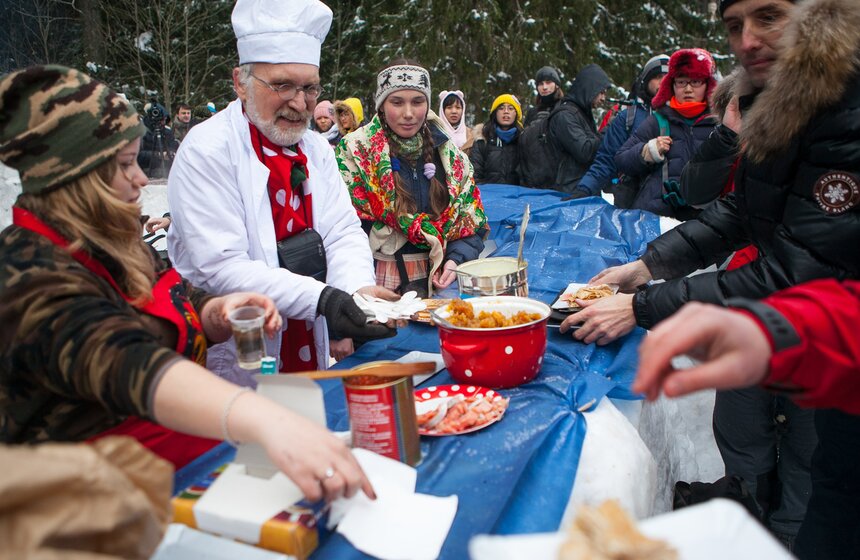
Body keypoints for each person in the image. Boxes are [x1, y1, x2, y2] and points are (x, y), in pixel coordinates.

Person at [0, 64, 375, 503]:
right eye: (125, 166)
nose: (142, 180)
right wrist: (259, 417)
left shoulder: (113, 243)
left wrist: (218, 312)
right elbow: (126, 361)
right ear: (75, 179)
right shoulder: (27, 273)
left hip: (162, 461)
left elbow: (175, 295)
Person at [563, 0, 859, 550]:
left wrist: (642, 306)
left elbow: (799, 271)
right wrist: (645, 265)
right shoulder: (781, 98)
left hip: (834, 350)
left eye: (768, 16)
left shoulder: (845, 107)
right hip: (788, 325)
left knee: (819, 475)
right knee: (750, 433)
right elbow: (740, 212)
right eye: (733, 24)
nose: (746, 40)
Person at [167, 0, 397, 383]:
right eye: (282, 85)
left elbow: (341, 232)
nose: (298, 102)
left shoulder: (316, 150)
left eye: (309, 88)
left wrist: (356, 291)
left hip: (309, 342)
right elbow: (223, 268)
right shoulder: (207, 151)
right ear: (240, 82)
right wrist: (323, 300)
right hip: (240, 362)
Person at [634, 278, 860, 560]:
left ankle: (786, 540)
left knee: (810, 464)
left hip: (827, 342)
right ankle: (748, 534)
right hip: (767, 312)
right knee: (746, 447)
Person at [335, 60, 488, 298]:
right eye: (397, 102)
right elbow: (339, 229)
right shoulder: (354, 154)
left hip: (436, 284)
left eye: (417, 102)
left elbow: (470, 221)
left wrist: (456, 258)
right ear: (381, 105)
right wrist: (359, 280)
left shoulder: (451, 158)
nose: (408, 114)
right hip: (372, 283)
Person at [613, 48, 718, 218]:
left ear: (707, 85)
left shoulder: (719, 125)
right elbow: (621, 159)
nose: (688, 89)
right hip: (655, 219)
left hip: (705, 223)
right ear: (673, 85)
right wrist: (647, 151)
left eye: (696, 82)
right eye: (681, 82)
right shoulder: (659, 120)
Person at [575, 54, 669, 202]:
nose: (663, 82)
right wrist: (584, 190)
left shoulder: (683, 117)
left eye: (668, 77)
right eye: (657, 76)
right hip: (630, 204)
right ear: (646, 81)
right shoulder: (628, 118)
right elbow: (606, 160)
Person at [547, 63, 611, 195]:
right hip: (567, 193)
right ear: (590, 88)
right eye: (601, 92)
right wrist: (610, 129)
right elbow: (585, 151)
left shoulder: (581, 113)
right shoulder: (565, 116)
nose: (603, 98)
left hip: (578, 190)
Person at [470, 94, 523, 185]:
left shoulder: (523, 140)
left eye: (510, 108)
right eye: (501, 108)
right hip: (488, 196)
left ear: (516, 114)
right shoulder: (482, 140)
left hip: (517, 196)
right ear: (495, 113)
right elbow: (475, 174)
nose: (506, 112)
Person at [138, 102, 179, 179]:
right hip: (146, 171)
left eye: (165, 119)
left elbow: (173, 146)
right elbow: (138, 156)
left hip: (167, 170)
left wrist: (170, 153)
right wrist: (158, 155)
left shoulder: (167, 132)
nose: (163, 122)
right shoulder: (140, 132)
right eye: (162, 119)